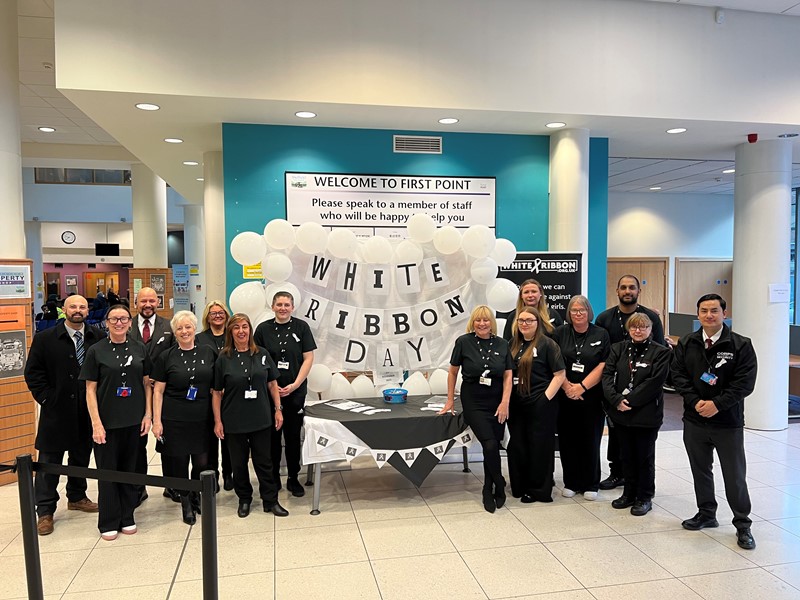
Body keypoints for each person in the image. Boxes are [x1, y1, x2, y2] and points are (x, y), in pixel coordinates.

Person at [671, 293, 758, 550]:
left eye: (714, 311)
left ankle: (743, 524)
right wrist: (695, 401)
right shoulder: (687, 342)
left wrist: (717, 404)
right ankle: (706, 513)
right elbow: (677, 375)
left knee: (734, 475)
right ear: (697, 314)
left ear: (724, 314)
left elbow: (744, 383)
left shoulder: (741, 345)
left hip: (727, 423)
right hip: (694, 420)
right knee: (700, 470)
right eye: (704, 311)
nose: (709, 315)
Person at [25, 295, 105, 536]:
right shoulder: (45, 339)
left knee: (80, 457)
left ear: (87, 310)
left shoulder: (97, 337)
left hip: (86, 412)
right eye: (73, 306)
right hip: (56, 413)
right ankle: (45, 510)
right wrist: (48, 399)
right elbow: (33, 374)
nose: (78, 310)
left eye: (82, 307)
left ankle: (77, 496)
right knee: (49, 462)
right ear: (64, 310)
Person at [80, 304, 152, 541]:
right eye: (114, 319)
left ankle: (127, 516)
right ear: (107, 322)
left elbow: (146, 385)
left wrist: (147, 415)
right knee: (108, 472)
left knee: (131, 471)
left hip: (134, 421)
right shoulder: (96, 350)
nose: (119, 323)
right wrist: (96, 423)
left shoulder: (139, 348)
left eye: (123, 319)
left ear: (130, 322)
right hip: (107, 423)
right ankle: (109, 520)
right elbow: (90, 390)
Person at [595, 274, 668, 491]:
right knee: (618, 438)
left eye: (632, 287)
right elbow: (603, 358)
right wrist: (615, 397)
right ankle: (618, 474)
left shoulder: (651, 318)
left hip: (644, 396)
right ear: (617, 291)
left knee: (643, 448)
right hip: (614, 392)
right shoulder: (605, 318)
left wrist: (632, 398)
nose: (628, 291)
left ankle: (644, 490)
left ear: (638, 291)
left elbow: (660, 350)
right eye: (623, 287)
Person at [212, 313, 289, 518]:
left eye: (244, 326)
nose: (241, 331)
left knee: (264, 462)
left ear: (250, 330)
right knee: (238, 463)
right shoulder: (223, 358)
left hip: (261, 418)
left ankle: (270, 500)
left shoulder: (262, 353)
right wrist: (218, 421)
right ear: (230, 331)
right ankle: (244, 499)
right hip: (234, 420)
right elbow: (217, 393)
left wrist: (278, 410)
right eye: (236, 327)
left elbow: (273, 384)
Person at [440, 305, 513, 513]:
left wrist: (505, 402)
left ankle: (489, 488)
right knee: (489, 444)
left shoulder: (502, 344)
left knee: (495, 445)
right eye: (478, 320)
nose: (482, 324)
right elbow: (453, 372)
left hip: (497, 400)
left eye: (486, 320)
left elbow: (508, 376)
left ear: (492, 322)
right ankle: (498, 482)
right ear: (472, 322)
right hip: (474, 400)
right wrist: (450, 401)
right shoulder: (463, 342)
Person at [601, 313, 670, 516]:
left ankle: (644, 496)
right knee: (627, 455)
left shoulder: (661, 352)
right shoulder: (618, 349)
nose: (638, 331)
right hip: (620, 413)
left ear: (650, 329)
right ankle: (628, 493)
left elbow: (654, 383)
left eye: (643, 327)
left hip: (646, 414)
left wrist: (628, 401)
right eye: (634, 327)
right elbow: (607, 376)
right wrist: (616, 400)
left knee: (644, 457)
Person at [151, 311, 216, 525]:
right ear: (175, 332)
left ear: (194, 328)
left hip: (202, 417)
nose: (184, 331)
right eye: (180, 328)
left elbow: (216, 388)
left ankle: (197, 494)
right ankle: (186, 501)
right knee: (179, 462)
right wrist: (157, 421)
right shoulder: (166, 356)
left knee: (201, 462)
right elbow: (158, 391)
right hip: (174, 418)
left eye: (188, 327)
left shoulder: (208, 352)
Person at [254, 291, 316, 497]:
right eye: (279, 304)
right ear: (272, 306)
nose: (283, 308)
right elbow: (258, 360)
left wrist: (296, 384)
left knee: (292, 437)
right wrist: (272, 386)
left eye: (286, 305)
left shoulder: (302, 327)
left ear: (292, 307)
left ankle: (293, 478)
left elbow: (308, 358)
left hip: (294, 393)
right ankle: (272, 478)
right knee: (272, 437)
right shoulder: (263, 329)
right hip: (269, 393)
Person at [553, 295, 610, 501]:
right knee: (568, 440)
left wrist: (582, 387)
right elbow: (555, 362)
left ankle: (591, 483)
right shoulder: (559, 333)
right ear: (569, 313)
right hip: (565, 395)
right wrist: (568, 387)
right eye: (574, 310)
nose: (578, 314)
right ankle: (571, 482)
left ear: (589, 312)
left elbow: (603, 364)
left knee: (590, 439)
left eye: (582, 310)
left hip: (591, 397)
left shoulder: (601, 333)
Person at [507, 306, 566, 503]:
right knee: (517, 445)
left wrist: (545, 399)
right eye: (521, 320)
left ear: (537, 323)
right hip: (517, 404)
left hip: (541, 403)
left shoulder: (547, 344)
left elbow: (560, 375)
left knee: (539, 446)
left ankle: (539, 489)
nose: (524, 324)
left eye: (529, 320)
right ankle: (520, 485)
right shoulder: (512, 345)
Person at [128, 286, 175, 504]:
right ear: (136, 303)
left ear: (159, 302)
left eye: (152, 301)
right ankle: (138, 488)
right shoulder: (126, 326)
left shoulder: (169, 326)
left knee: (167, 440)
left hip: (162, 394)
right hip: (132, 393)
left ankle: (171, 485)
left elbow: (175, 357)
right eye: (143, 301)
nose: (148, 305)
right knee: (136, 444)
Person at [197, 300, 234, 492]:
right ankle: (213, 476)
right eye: (213, 313)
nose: (217, 316)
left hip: (231, 397)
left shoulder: (234, 336)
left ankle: (229, 473)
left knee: (229, 438)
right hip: (208, 395)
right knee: (210, 439)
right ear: (207, 317)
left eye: (221, 313)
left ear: (226, 316)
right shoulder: (200, 338)